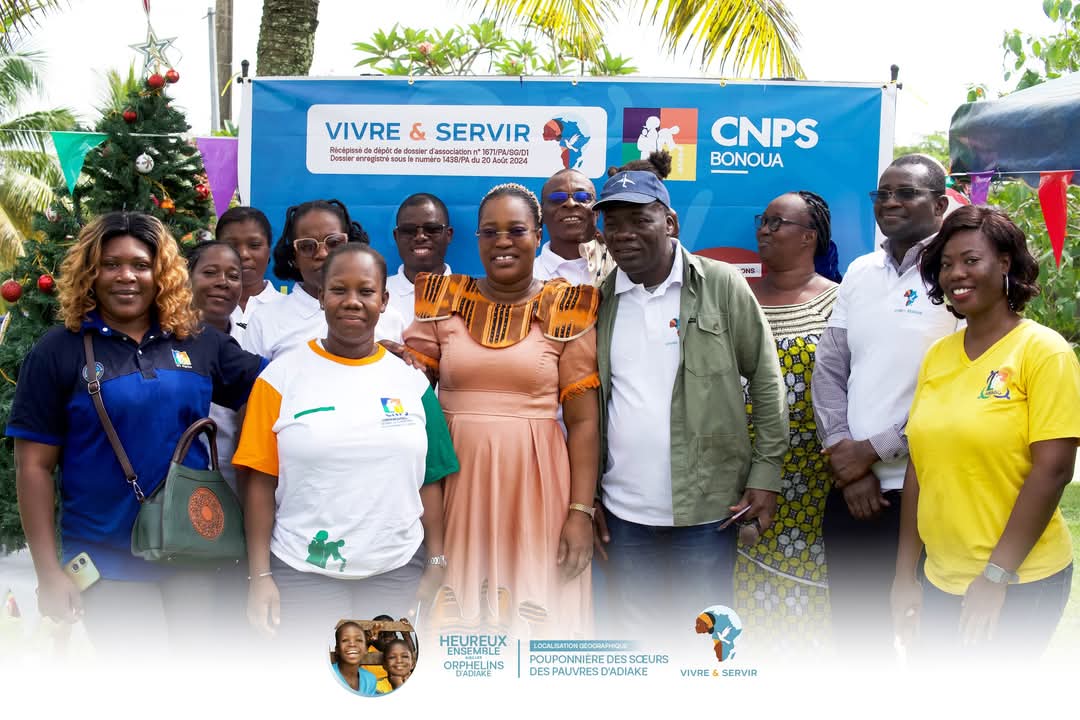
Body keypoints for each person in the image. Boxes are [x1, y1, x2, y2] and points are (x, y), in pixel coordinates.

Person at [7, 211, 266, 656]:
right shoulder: (58, 350)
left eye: (141, 265)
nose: (126, 276)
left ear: (160, 273)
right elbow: (33, 467)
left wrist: (372, 361)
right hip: (107, 557)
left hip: (193, 549)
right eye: (111, 264)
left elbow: (276, 386)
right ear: (90, 272)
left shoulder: (196, 340)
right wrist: (48, 573)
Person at [590, 151, 788, 642]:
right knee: (638, 646)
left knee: (705, 644)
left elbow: (766, 381)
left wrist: (765, 476)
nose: (624, 234)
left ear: (670, 222)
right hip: (624, 513)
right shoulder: (602, 298)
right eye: (613, 224)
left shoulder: (720, 284)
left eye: (640, 219)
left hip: (707, 512)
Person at [234, 243, 458, 645]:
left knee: (383, 677)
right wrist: (260, 575)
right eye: (339, 290)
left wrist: (436, 561)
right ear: (321, 296)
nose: (352, 301)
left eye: (366, 291)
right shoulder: (279, 379)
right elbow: (259, 483)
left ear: (384, 301)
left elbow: (431, 478)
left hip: (396, 571)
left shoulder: (412, 382)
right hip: (303, 573)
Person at [403, 183, 600, 639]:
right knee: (456, 604)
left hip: (536, 484)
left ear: (538, 235)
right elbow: (410, 394)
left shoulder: (567, 306)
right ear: (476, 238)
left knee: (533, 601)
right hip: (453, 482)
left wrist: (580, 512)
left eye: (516, 230)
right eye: (490, 232)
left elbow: (585, 423)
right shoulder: (443, 300)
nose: (502, 242)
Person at [892, 206, 1079, 660]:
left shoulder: (1043, 351)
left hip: (1018, 579)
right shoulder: (938, 355)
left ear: (1004, 264)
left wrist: (997, 575)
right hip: (940, 575)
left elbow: (1053, 470)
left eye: (971, 260)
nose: (956, 273)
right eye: (946, 264)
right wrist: (904, 576)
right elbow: (920, 466)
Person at [812, 154, 962, 659]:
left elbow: (955, 389)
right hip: (853, 493)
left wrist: (873, 450)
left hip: (928, 493)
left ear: (939, 205)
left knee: (927, 647)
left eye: (906, 193)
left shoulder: (956, 273)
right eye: (883, 194)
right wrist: (846, 458)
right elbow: (830, 367)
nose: (890, 202)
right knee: (860, 647)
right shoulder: (861, 270)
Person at [733, 191, 840, 655]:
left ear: (809, 237)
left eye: (777, 222)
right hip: (738, 477)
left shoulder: (837, 304)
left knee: (802, 604)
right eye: (764, 220)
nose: (764, 229)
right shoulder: (738, 299)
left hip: (810, 481)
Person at [242, 199, 405, 361]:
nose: (322, 254)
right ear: (293, 256)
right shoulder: (265, 320)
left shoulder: (390, 319)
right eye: (307, 246)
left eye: (334, 243)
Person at [187, 240, 245, 491]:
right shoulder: (162, 341)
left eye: (233, 276)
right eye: (210, 273)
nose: (223, 282)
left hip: (237, 485)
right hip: (177, 483)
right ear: (187, 278)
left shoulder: (252, 340)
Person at [215, 206, 283, 343]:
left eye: (254, 245)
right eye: (231, 246)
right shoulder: (200, 310)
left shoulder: (288, 309)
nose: (243, 254)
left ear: (269, 250)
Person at [534, 169, 613, 286]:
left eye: (582, 197)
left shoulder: (621, 270)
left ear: (597, 212)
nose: (570, 203)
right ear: (542, 213)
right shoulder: (527, 277)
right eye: (557, 198)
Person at [388, 193, 453, 326]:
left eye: (432, 229)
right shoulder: (376, 295)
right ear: (396, 236)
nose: (420, 237)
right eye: (408, 230)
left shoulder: (472, 294)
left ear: (449, 235)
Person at [330, 621, 379, 696]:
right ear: (337, 649)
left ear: (366, 649)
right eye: (345, 640)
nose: (352, 644)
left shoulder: (370, 679)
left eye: (359, 640)